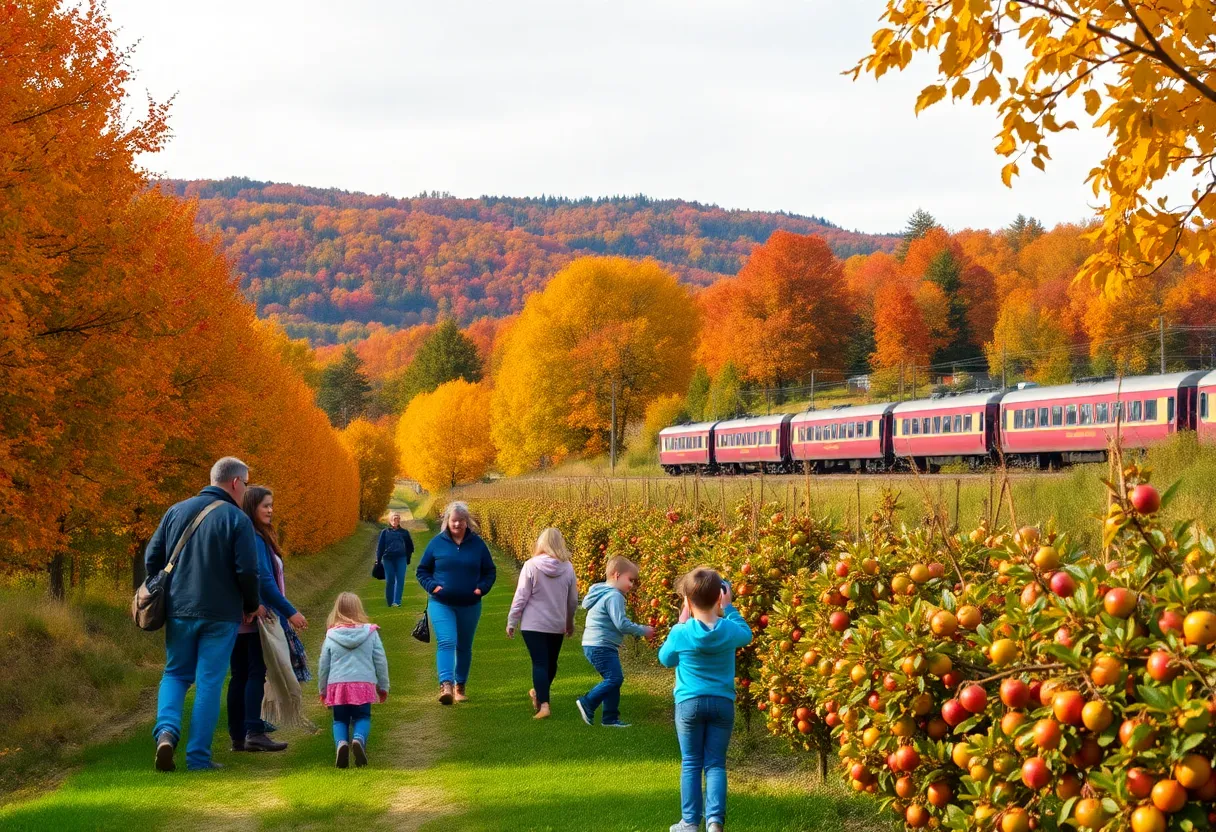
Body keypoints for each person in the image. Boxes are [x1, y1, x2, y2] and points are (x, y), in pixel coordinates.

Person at [147, 457, 262, 772]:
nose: (247, 489)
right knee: (209, 681)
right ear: (235, 483)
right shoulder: (236, 520)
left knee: (175, 674)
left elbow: (152, 558)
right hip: (221, 613)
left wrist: (170, 590)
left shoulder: (175, 511)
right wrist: (251, 604)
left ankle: (167, 733)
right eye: (247, 483)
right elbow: (247, 570)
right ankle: (198, 757)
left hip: (179, 609)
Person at [658, 567, 753, 832]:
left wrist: (680, 622)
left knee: (691, 762)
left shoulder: (681, 632)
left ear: (687, 601)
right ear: (719, 598)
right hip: (722, 704)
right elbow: (747, 634)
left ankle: (689, 822)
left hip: (689, 704)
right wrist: (731, 608)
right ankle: (714, 824)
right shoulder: (729, 629)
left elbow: (665, 659)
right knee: (715, 764)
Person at [228, 485, 308, 753]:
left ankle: (238, 734)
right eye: (265, 505)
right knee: (254, 672)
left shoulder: (241, 535)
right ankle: (254, 730)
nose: (271, 510)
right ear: (252, 506)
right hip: (255, 619)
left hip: (238, 617)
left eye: (272, 505)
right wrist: (290, 612)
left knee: (239, 675)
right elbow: (265, 582)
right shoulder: (254, 538)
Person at [415, 501, 496, 705]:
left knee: (464, 646)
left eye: (461, 521)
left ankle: (460, 685)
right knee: (446, 641)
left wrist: (481, 588)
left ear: (467, 522)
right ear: (447, 522)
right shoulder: (437, 543)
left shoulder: (477, 544)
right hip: (441, 603)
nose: (457, 524)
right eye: (454, 521)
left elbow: (490, 571)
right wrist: (433, 587)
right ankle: (446, 685)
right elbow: (422, 570)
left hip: (470, 604)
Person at [506, 528, 578, 719]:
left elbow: (521, 596)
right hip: (556, 623)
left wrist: (512, 620)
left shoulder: (531, 566)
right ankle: (541, 697)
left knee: (540, 663)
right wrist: (569, 622)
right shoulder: (568, 568)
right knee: (550, 663)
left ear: (541, 543)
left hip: (533, 625)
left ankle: (543, 703)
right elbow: (572, 600)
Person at [575, 556, 655, 728]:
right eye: (630, 580)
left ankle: (610, 718)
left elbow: (611, 623)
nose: (632, 585)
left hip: (596, 643)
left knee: (613, 679)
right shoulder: (614, 596)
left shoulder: (602, 592)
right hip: (600, 645)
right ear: (617, 575)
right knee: (614, 678)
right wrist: (643, 630)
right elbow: (621, 623)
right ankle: (588, 702)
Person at [317, 592, 389, 769]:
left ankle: (341, 744)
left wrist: (323, 690)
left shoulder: (331, 635)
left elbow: (323, 665)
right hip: (363, 683)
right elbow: (380, 661)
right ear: (359, 609)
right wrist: (383, 686)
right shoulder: (370, 633)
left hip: (338, 684)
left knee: (339, 720)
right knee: (362, 716)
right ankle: (358, 739)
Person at [376, 512, 414, 608]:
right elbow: (380, 547)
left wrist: (408, 558)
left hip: (401, 558)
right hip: (388, 558)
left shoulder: (404, 533)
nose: (395, 521)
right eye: (393, 519)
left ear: (399, 521)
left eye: (397, 519)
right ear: (390, 520)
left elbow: (410, 546)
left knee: (400, 579)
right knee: (390, 580)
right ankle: (390, 601)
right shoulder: (384, 532)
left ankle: (397, 601)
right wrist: (378, 559)